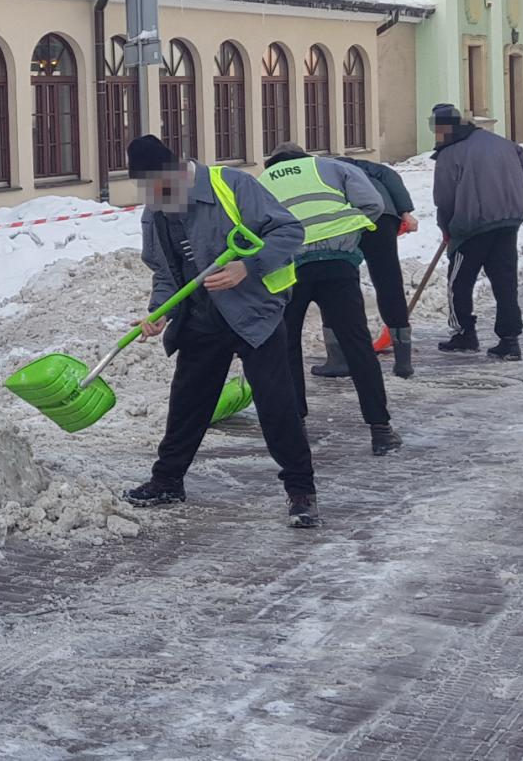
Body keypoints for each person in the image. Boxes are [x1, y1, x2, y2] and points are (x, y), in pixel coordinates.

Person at [121, 135, 321, 528]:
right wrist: (160, 313)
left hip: (254, 314)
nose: (156, 196)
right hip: (201, 319)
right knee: (187, 404)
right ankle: (167, 481)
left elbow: (289, 231)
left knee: (277, 407)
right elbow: (165, 272)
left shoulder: (231, 186)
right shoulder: (155, 211)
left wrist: (248, 266)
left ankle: (302, 492)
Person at [260, 144, 403, 457]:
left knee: (286, 347)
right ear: (303, 157)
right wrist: (349, 237)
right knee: (358, 346)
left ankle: (296, 423)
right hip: (337, 265)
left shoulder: (262, 181)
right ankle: (380, 430)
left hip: (290, 271)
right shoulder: (331, 167)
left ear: (274, 162)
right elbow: (373, 203)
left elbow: (251, 226)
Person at [430, 103, 523, 361]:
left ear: (443, 128)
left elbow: (444, 198)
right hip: (509, 221)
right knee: (505, 282)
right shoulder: (503, 143)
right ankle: (510, 342)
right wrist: (503, 190)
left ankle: (464, 334)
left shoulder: (450, 153)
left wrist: (446, 228)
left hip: (470, 227)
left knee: (459, 282)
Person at [326, 156, 422, 379]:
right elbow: (391, 176)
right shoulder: (366, 166)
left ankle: (338, 359)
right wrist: (405, 210)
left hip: (345, 218)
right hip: (383, 215)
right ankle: (403, 362)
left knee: (335, 279)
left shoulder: (321, 168)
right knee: (388, 280)